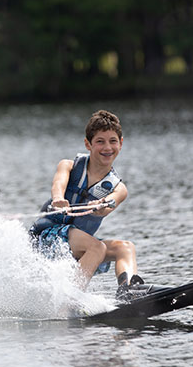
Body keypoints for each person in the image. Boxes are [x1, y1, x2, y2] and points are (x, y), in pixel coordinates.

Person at [29, 110, 145, 299]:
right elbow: (58, 183)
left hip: (77, 246)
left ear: (121, 143)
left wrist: (102, 205)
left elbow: (109, 206)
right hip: (46, 237)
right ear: (88, 144)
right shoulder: (69, 166)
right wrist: (58, 198)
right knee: (97, 248)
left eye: (113, 141)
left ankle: (129, 291)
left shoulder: (119, 188)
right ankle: (70, 299)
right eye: (100, 141)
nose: (107, 147)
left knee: (125, 247)